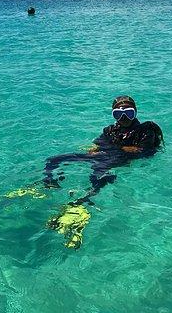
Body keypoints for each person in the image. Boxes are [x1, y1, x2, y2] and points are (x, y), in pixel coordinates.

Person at [8, 95, 163, 248]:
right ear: (113, 115)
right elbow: (99, 144)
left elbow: (143, 151)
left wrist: (122, 149)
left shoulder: (145, 131)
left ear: (135, 112)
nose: (123, 117)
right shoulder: (110, 130)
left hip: (117, 160)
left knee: (97, 176)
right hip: (105, 155)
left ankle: (81, 204)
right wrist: (94, 149)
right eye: (118, 113)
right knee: (54, 160)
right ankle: (47, 184)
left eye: (128, 113)